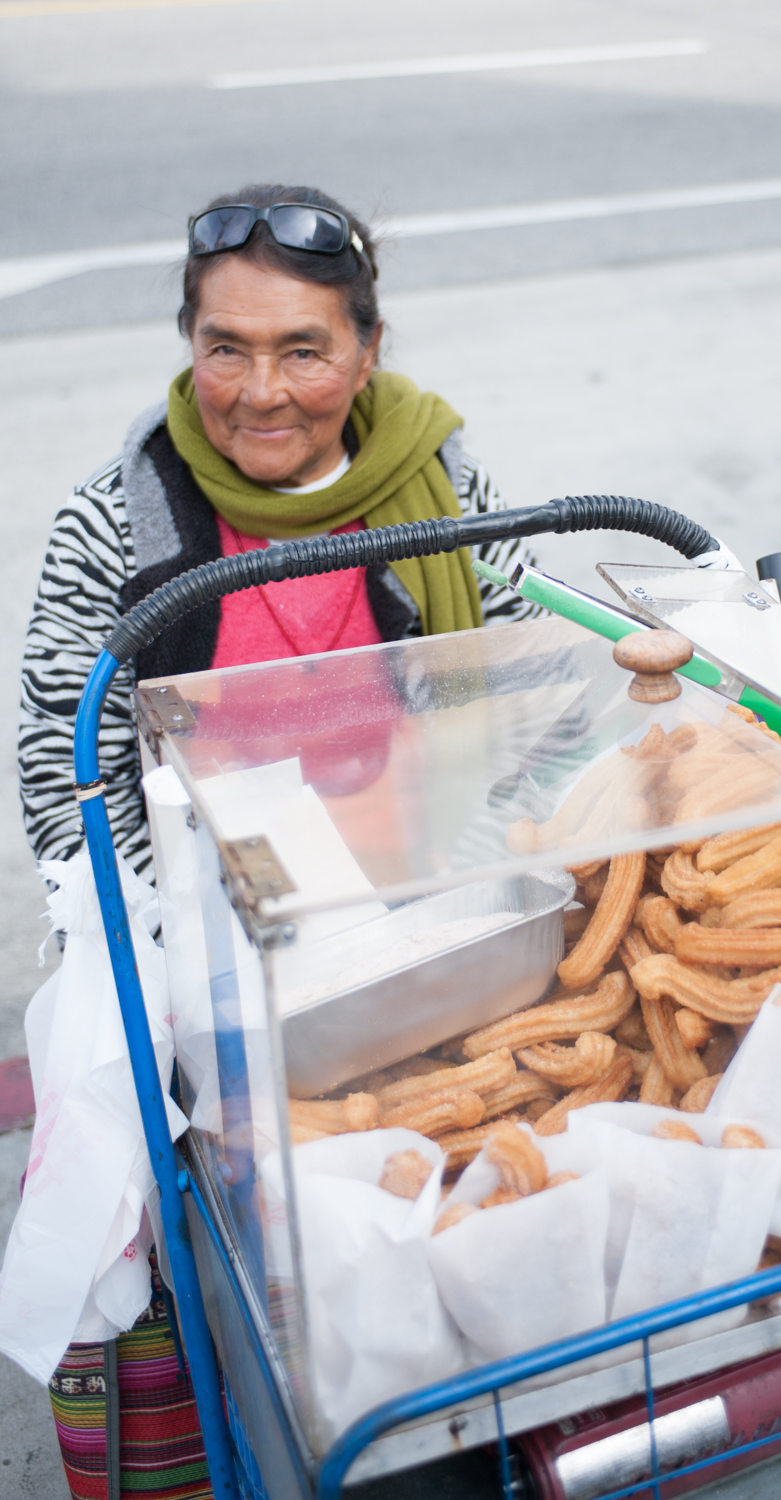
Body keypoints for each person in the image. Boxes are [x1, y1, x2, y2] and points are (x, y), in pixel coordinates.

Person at [18, 183, 541, 1498]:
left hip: (425, 908)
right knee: (192, 1217)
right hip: (207, 937)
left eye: (304, 349)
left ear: (366, 351)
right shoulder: (119, 521)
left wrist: (456, 903)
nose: (261, 389)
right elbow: (55, 763)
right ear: (187, 344)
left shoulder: (438, 480)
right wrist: (171, 944)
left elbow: (523, 696)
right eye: (225, 347)